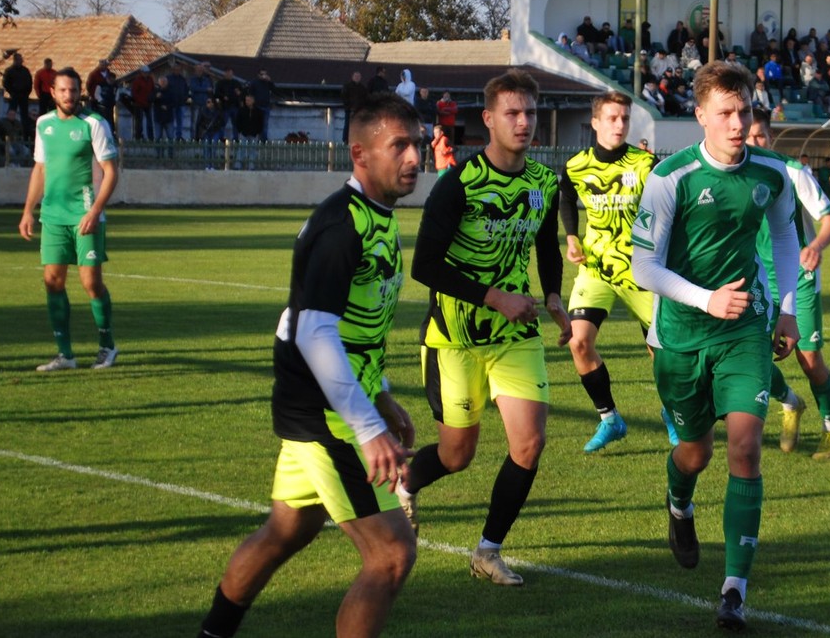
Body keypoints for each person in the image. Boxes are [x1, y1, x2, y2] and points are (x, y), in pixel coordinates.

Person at [196, 92, 422, 638]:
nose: (415, 157)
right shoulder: (340, 226)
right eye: (400, 146)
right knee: (390, 555)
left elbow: (354, 328)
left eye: (417, 144)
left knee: (285, 531)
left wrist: (383, 394)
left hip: (336, 404)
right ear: (360, 154)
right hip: (327, 413)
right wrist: (367, 427)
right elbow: (313, 330)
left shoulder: (376, 216)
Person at [630, 61, 800, 630]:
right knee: (695, 453)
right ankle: (679, 502)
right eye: (724, 113)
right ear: (700, 115)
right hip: (680, 335)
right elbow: (642, 266)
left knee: (745, 449)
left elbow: (782, 235)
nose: (736, 123)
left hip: (743, 331)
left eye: (744, 111)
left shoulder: (772, 173)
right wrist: (705, 300)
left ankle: (734, 589)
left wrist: (787, 309)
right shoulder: (672, 177)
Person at [402, 68, 571, 588]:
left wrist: (552, 297)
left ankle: (488, 551)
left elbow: (545, 245)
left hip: (516, 337)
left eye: (530, 113)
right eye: (512, 113)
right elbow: (424, 266)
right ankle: (404, 483)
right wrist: (495, 297)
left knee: (529, 444)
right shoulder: (459, 184)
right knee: (458, 455)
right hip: (455, 338)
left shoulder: (544, 181)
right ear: (489, 119)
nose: (523, 123)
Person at [558, 91, 657, 452]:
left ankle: (675, 416)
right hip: (596, 268)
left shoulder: (645, 164)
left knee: (662, 353)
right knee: (578, 341)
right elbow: (565, 196)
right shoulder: (576, 165)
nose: (619, 125)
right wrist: (572, 236)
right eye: (612, 118)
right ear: (595, 122)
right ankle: (609, 419)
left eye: (625, 119)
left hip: (641, 272)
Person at [747, 109, 830, 460]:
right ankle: (790, 402)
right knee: (754, 358)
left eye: (760, 136)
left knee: (810, 360)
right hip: (757, 279)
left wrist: (815, 246)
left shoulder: (792, 171)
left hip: (798, 278)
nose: (754, 142)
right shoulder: (736, 174)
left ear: (770, 138)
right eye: (749, 136)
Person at [17, 68, 121, 372]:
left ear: (80, 93)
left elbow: (111, 172)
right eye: (63, 90)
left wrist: (95, 211)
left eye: (74, 91)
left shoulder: (95, 124)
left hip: (85, 215)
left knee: (91, 283)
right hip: (53, 215)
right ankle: (65, 355)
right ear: (52, 92)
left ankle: (107, 346)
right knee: (52, 281)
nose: (69, 96)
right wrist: (28, 211)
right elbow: (40, 169)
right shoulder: (43, 124)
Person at [2, 52, 34, 133]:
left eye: (21, 60)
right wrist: (12, 92)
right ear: (15, 60)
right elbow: (6, 83)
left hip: (24, 96)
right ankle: (10, 131)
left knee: (24, 116)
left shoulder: (25, 71)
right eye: (19, 60)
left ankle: (25, 133)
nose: (20, 61)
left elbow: (30, 82)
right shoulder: (9, 71)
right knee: (12, 113)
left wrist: (27, 93)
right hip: (14, 95)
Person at [341, 71, 369, 144]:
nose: (357, 78)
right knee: (348, 125)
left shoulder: (362, 88)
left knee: (359, 125)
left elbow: (365, 98)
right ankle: (346, 140)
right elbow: (344, 97)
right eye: (356, 76)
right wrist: (348, 107)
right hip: (349, 110)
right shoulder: (347, 86)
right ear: (352, 77)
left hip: (359, 110)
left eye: (358, 76)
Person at [34, 58, 56, 122]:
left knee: (53, 110)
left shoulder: (54, 73)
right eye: (48, 64)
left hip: (52, 95)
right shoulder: (40, 73)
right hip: (43, 94)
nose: (50, 66)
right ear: (45, 64)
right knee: (43, 111)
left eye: (51, 64)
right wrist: (39, 95)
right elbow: (36, 85)